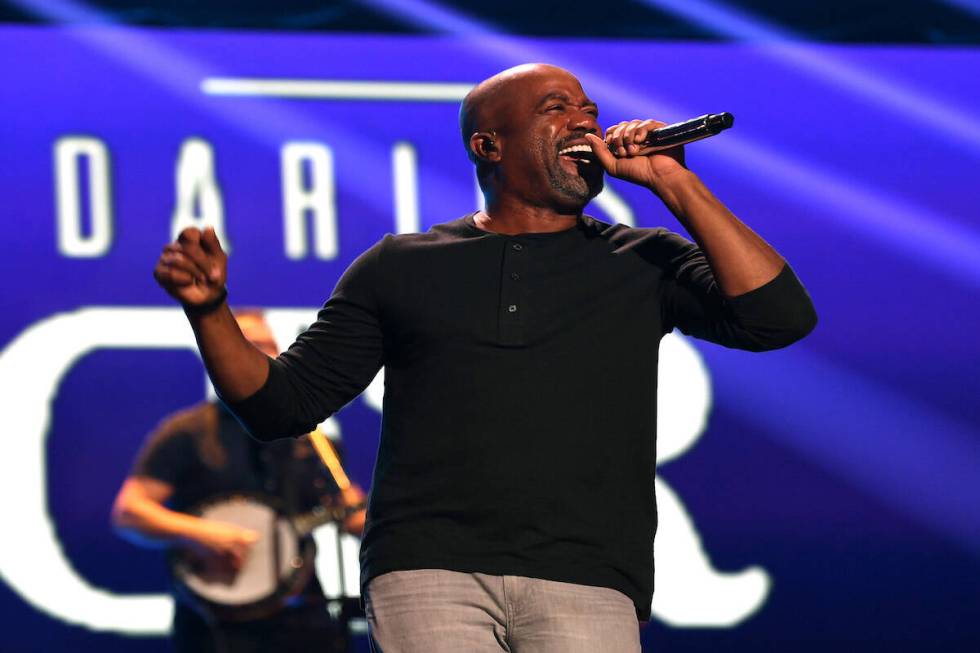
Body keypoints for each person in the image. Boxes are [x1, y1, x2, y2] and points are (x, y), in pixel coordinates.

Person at [151, 64, 817, 652]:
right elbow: (279, 405)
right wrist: (210, 311)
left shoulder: (642, 259)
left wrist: (672, 181)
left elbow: (778, 317)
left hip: (589, 573)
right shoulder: (400, 266)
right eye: (556, 107)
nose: (584, 117)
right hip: (430, 569)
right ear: (488, 144)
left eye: (587, 107)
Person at [112, 309, 366, 653]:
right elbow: (130, 512)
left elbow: (349, 514)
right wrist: (202, 535)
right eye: (244, 344)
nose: (258, 354)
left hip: (303, 616)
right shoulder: (187, 432)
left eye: (267, 345)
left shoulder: (316, 440)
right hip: (214, 625)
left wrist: (370, 516)